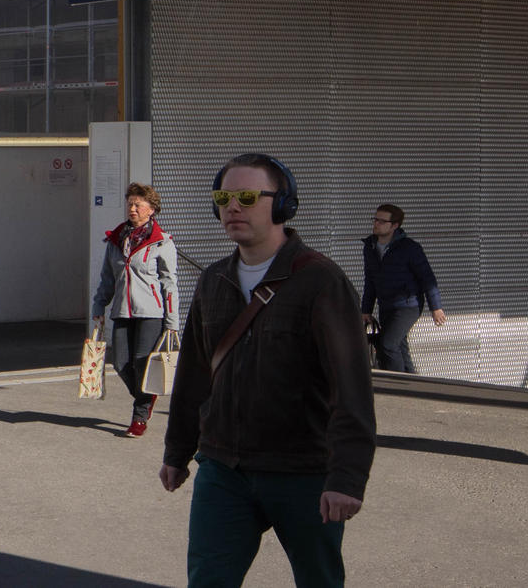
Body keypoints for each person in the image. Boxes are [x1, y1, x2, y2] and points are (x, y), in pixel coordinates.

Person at [158, 153, 376, 588]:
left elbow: (351, 387)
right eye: (223, 197)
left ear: (282, 205)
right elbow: (195, 375)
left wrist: (347, 477)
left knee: (319, 581)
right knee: (208, 581)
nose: (232, 207)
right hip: (224, 470)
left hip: (303, 472)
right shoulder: (213, 280)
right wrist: (177, 451)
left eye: (247, 196)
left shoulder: (320, 281)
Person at [91, 182, 180, 437]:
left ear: (151, 209)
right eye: (130, 203)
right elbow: (107, 278)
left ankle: (139, 416)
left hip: (151, 312)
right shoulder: (116, 240)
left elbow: (169, 283)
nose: (132, 208)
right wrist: (99, 305)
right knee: (120, 363)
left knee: (142, 364)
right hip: (122, 310)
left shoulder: (162, 242)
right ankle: (146, 398)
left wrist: (172, 321)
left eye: (138, 204)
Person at [359, 204, 445, 374]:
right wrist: (366, 310)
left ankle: (397, 386)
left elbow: (427, 278)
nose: (376, 224)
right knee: (399, 346)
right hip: (386, 304)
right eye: (375, 219)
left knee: (388, 344)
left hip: (408, 305)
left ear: (394, 225)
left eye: (382, 221)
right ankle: (413, 383)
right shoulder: (370, 247)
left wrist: (436, 307)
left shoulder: (409, 248)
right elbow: (370, 281)